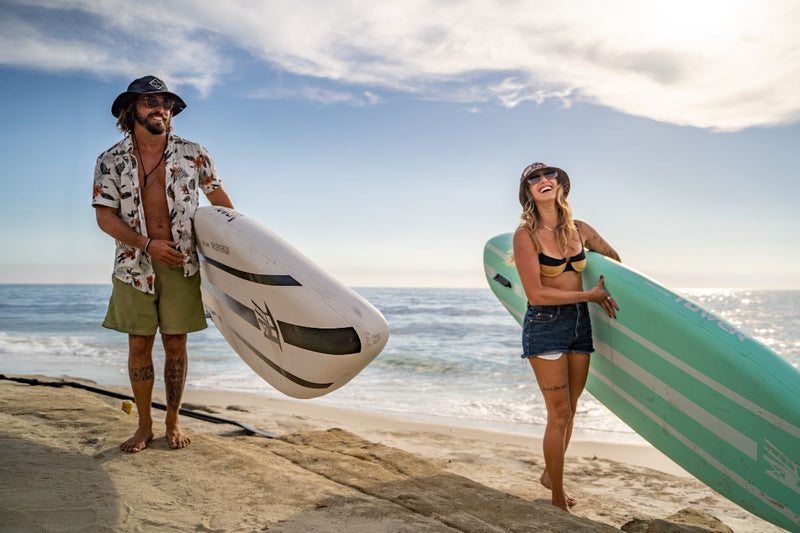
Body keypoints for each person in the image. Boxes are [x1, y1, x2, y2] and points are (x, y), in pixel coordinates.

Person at [92, 75, 234, 453]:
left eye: (167, 103)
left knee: (175, 345)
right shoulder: (110, 160)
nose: (161, 109)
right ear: (132, 109)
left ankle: (173, 421)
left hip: (181, 264)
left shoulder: (194, 153)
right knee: (139, 345)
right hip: (133, 266)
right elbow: (104, 217)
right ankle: (144, 425)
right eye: (151, 102)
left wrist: (237, 256)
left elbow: (222, 205)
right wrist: (147, 245)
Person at [512, 162, 620, 512]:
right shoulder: (525, 236)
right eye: (534, 179)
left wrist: (615, 292)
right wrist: (590, 296)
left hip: (580, 322)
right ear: (528, 193)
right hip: (545, 324)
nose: (543, 180)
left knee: (571, 410)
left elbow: (615, 261)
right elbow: (536, 294)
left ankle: (550, 474)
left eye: (549, 175)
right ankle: (557, 495)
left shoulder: (581, 230)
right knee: (558, 414)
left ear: (561, 184)